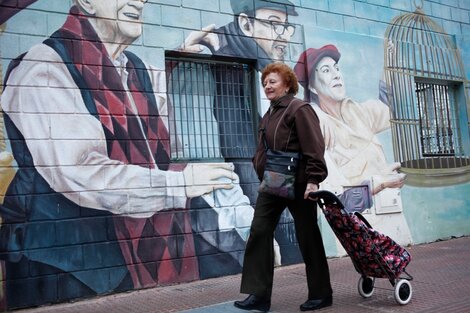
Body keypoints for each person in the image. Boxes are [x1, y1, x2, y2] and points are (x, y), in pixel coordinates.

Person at [0, 0, 237, 308]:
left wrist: (181, 63)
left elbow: (158, 136)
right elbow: (81, 169)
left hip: (125, 262)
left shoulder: (137, 70)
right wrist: (178, 185)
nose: (138, 1)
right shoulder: (44, 67)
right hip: (63, 265)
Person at [171, 0, 299, 270]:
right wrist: (252, 228)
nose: (283, 36)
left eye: (287, 27)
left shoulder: (264, 71)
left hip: (267, 214)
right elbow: (204, 163)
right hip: (227, 233)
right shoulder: (206, 58)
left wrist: (287, 212)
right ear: (245, 23)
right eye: (275, 24)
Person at [234, 63, 333, 312]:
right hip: (274, 181)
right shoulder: (269, 114)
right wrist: (260, 168)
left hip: (300, 182)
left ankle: (321, 294)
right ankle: (259, 295)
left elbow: (314, 146)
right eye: (265, 82)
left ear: (287, 84)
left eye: (273, 81)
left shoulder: (299, 109)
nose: (267, 86)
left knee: (307, 235)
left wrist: (313, 181)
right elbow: (263, 149)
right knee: (259, 231)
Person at [293, 45, 406, 198]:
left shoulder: (357, 111)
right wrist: (381, 181)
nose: (336, 75)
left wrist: (390, 62)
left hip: (392, 212)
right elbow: (336, 197)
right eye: (326, 70)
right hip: (358, 218)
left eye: (337, 68)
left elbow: (388, 106)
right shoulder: (318, 126)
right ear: (312, 87)